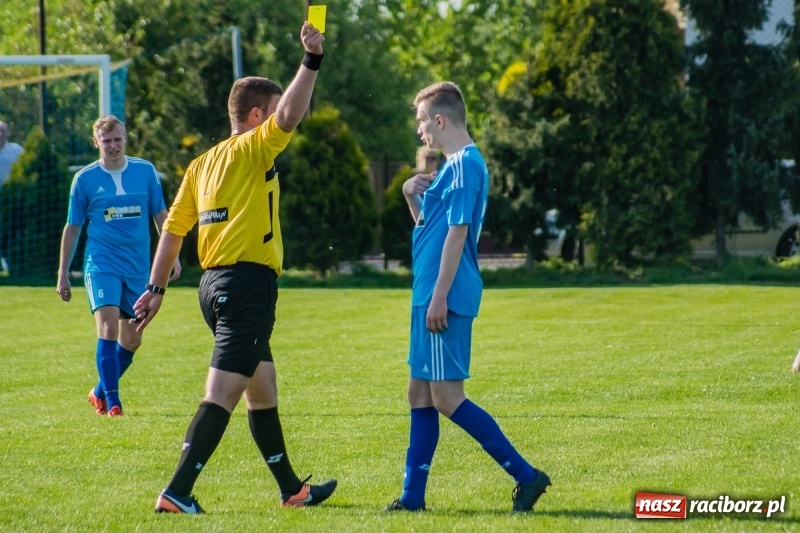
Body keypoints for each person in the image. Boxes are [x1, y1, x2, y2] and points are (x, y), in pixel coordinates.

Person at [132, 22, 336, 515]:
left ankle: (291, 489)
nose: (293, 121)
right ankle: (177, 491)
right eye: (279, 114)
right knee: (222, 393)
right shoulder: (254, 145)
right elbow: (290, 112)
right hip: (247, 286)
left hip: (212, 286)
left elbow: (174, 232)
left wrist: (156, 288)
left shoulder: (201, 164)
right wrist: (311, 61)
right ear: (257, 115)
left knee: (261, 389)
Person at [385, 82, 551, 513]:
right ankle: (411, 499)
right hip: (428, 293)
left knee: (446, 397)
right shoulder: (453, 168)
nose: (420, 131)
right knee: (419, 393)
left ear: (440, 120)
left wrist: (440, 297)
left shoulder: (465, 167)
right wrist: (410, 195)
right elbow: (432, 230)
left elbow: (458, 236)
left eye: (422, 122)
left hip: (445, 295)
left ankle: (527, 476)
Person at [57, 115, 180, 418]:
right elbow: (73, 227)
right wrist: (63, 273)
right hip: (101, 264)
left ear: (126, 138)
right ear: (96, 142)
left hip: (138, 267)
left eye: (118, 139)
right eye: (106, 140)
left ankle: (99, 389)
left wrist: (172, 255)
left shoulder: (146, 172)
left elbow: (161, 215)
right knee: (108, 326)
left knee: (132, 338)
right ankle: (112, 403)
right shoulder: (84, 179)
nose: (113, 145)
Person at [0, 120, 24, 276]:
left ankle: (11, 264)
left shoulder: (16, 150)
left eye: (3, 131)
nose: (0, 134)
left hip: (11, 200)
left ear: (8, 133)